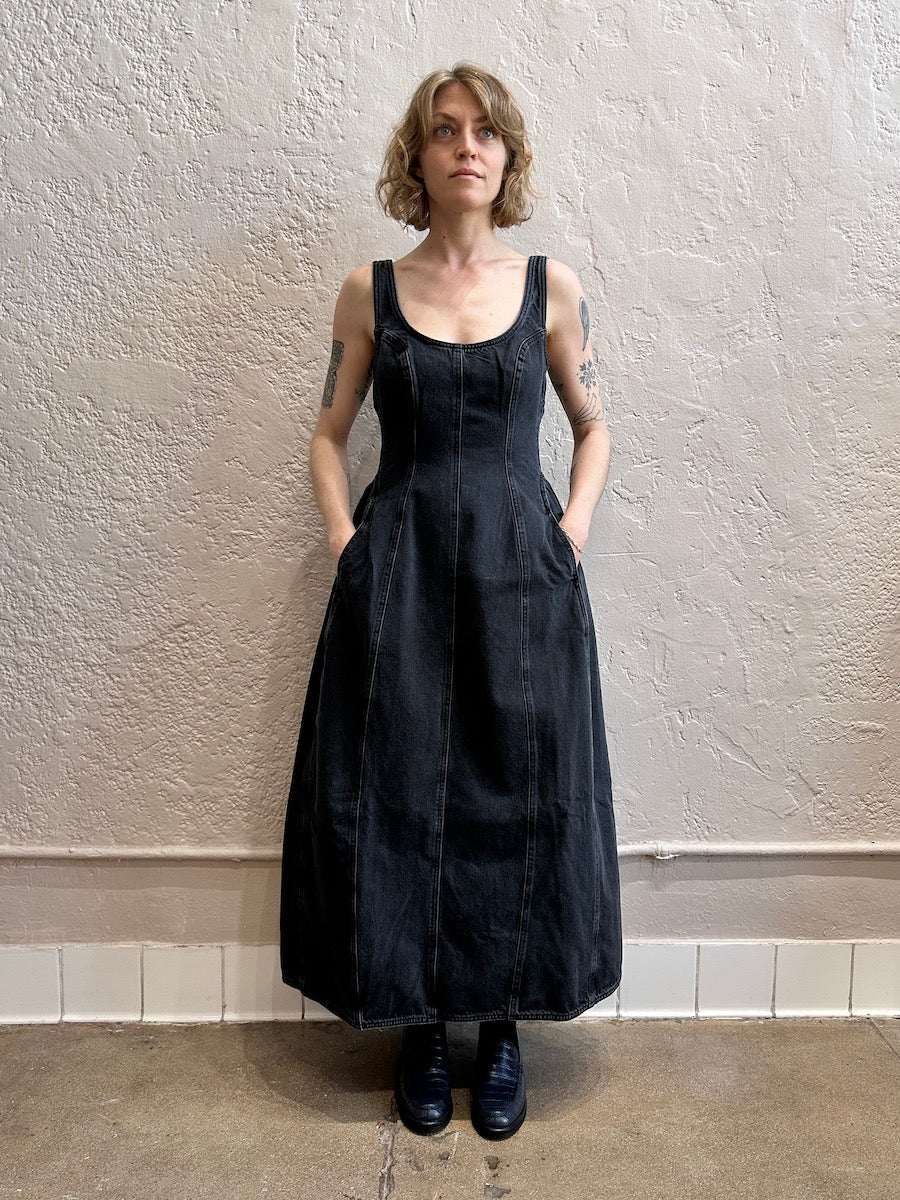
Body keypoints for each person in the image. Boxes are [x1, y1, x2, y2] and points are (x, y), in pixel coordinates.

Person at [279, 62, 622, 1142]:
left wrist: (570, 530)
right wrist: (347, 540)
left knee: (518, 793)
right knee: (399, 791)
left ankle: (502, 1029)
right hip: (403, 576)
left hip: (524, 578)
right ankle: (421, 1027)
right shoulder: (368, 292)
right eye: (444, 130)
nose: (465, 146)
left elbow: (594, 425)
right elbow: (328, 435)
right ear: (417, 158)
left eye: (484, 131)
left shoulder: (552, 288)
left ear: (506, 156)